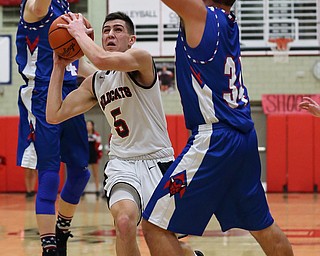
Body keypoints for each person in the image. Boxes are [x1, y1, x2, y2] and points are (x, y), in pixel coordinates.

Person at [141, 1, 295, 256]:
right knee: (263, 227)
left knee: (154, 226)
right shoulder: (227, 22)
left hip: (215, 139)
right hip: (242, 135)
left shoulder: (203, 17)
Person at [46, 11, 202, 256]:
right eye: (106, 30)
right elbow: (53, 114)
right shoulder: (96, 82)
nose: (110, 34)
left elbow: (99, 59)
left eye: (118, 30)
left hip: (157, 162)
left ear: (131, 39)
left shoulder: (141, 59)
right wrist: (59, 65)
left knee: (163, 243)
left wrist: (77, 33)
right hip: (122, 164)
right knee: (124, 222)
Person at [15, 1, 96, 256]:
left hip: (70, 88)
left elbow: (79, 64)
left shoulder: (65, 8)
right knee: (49, 175)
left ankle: (61, 233)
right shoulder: (35, 7)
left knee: (80, 172)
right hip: (40, 93)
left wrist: (112, 76)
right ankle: (49, 248)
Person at [86, 120, 103, 198]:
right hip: (86, 156)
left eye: (90, 125)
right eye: (87, 125)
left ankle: (97, 190)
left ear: (92, 126)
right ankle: (83, 190)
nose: (88, 126)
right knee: (85, 174)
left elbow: (98, 146)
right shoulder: (83, 134)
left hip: (94, 155)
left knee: (95, 173)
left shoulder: (96, 135)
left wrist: (99, 155)